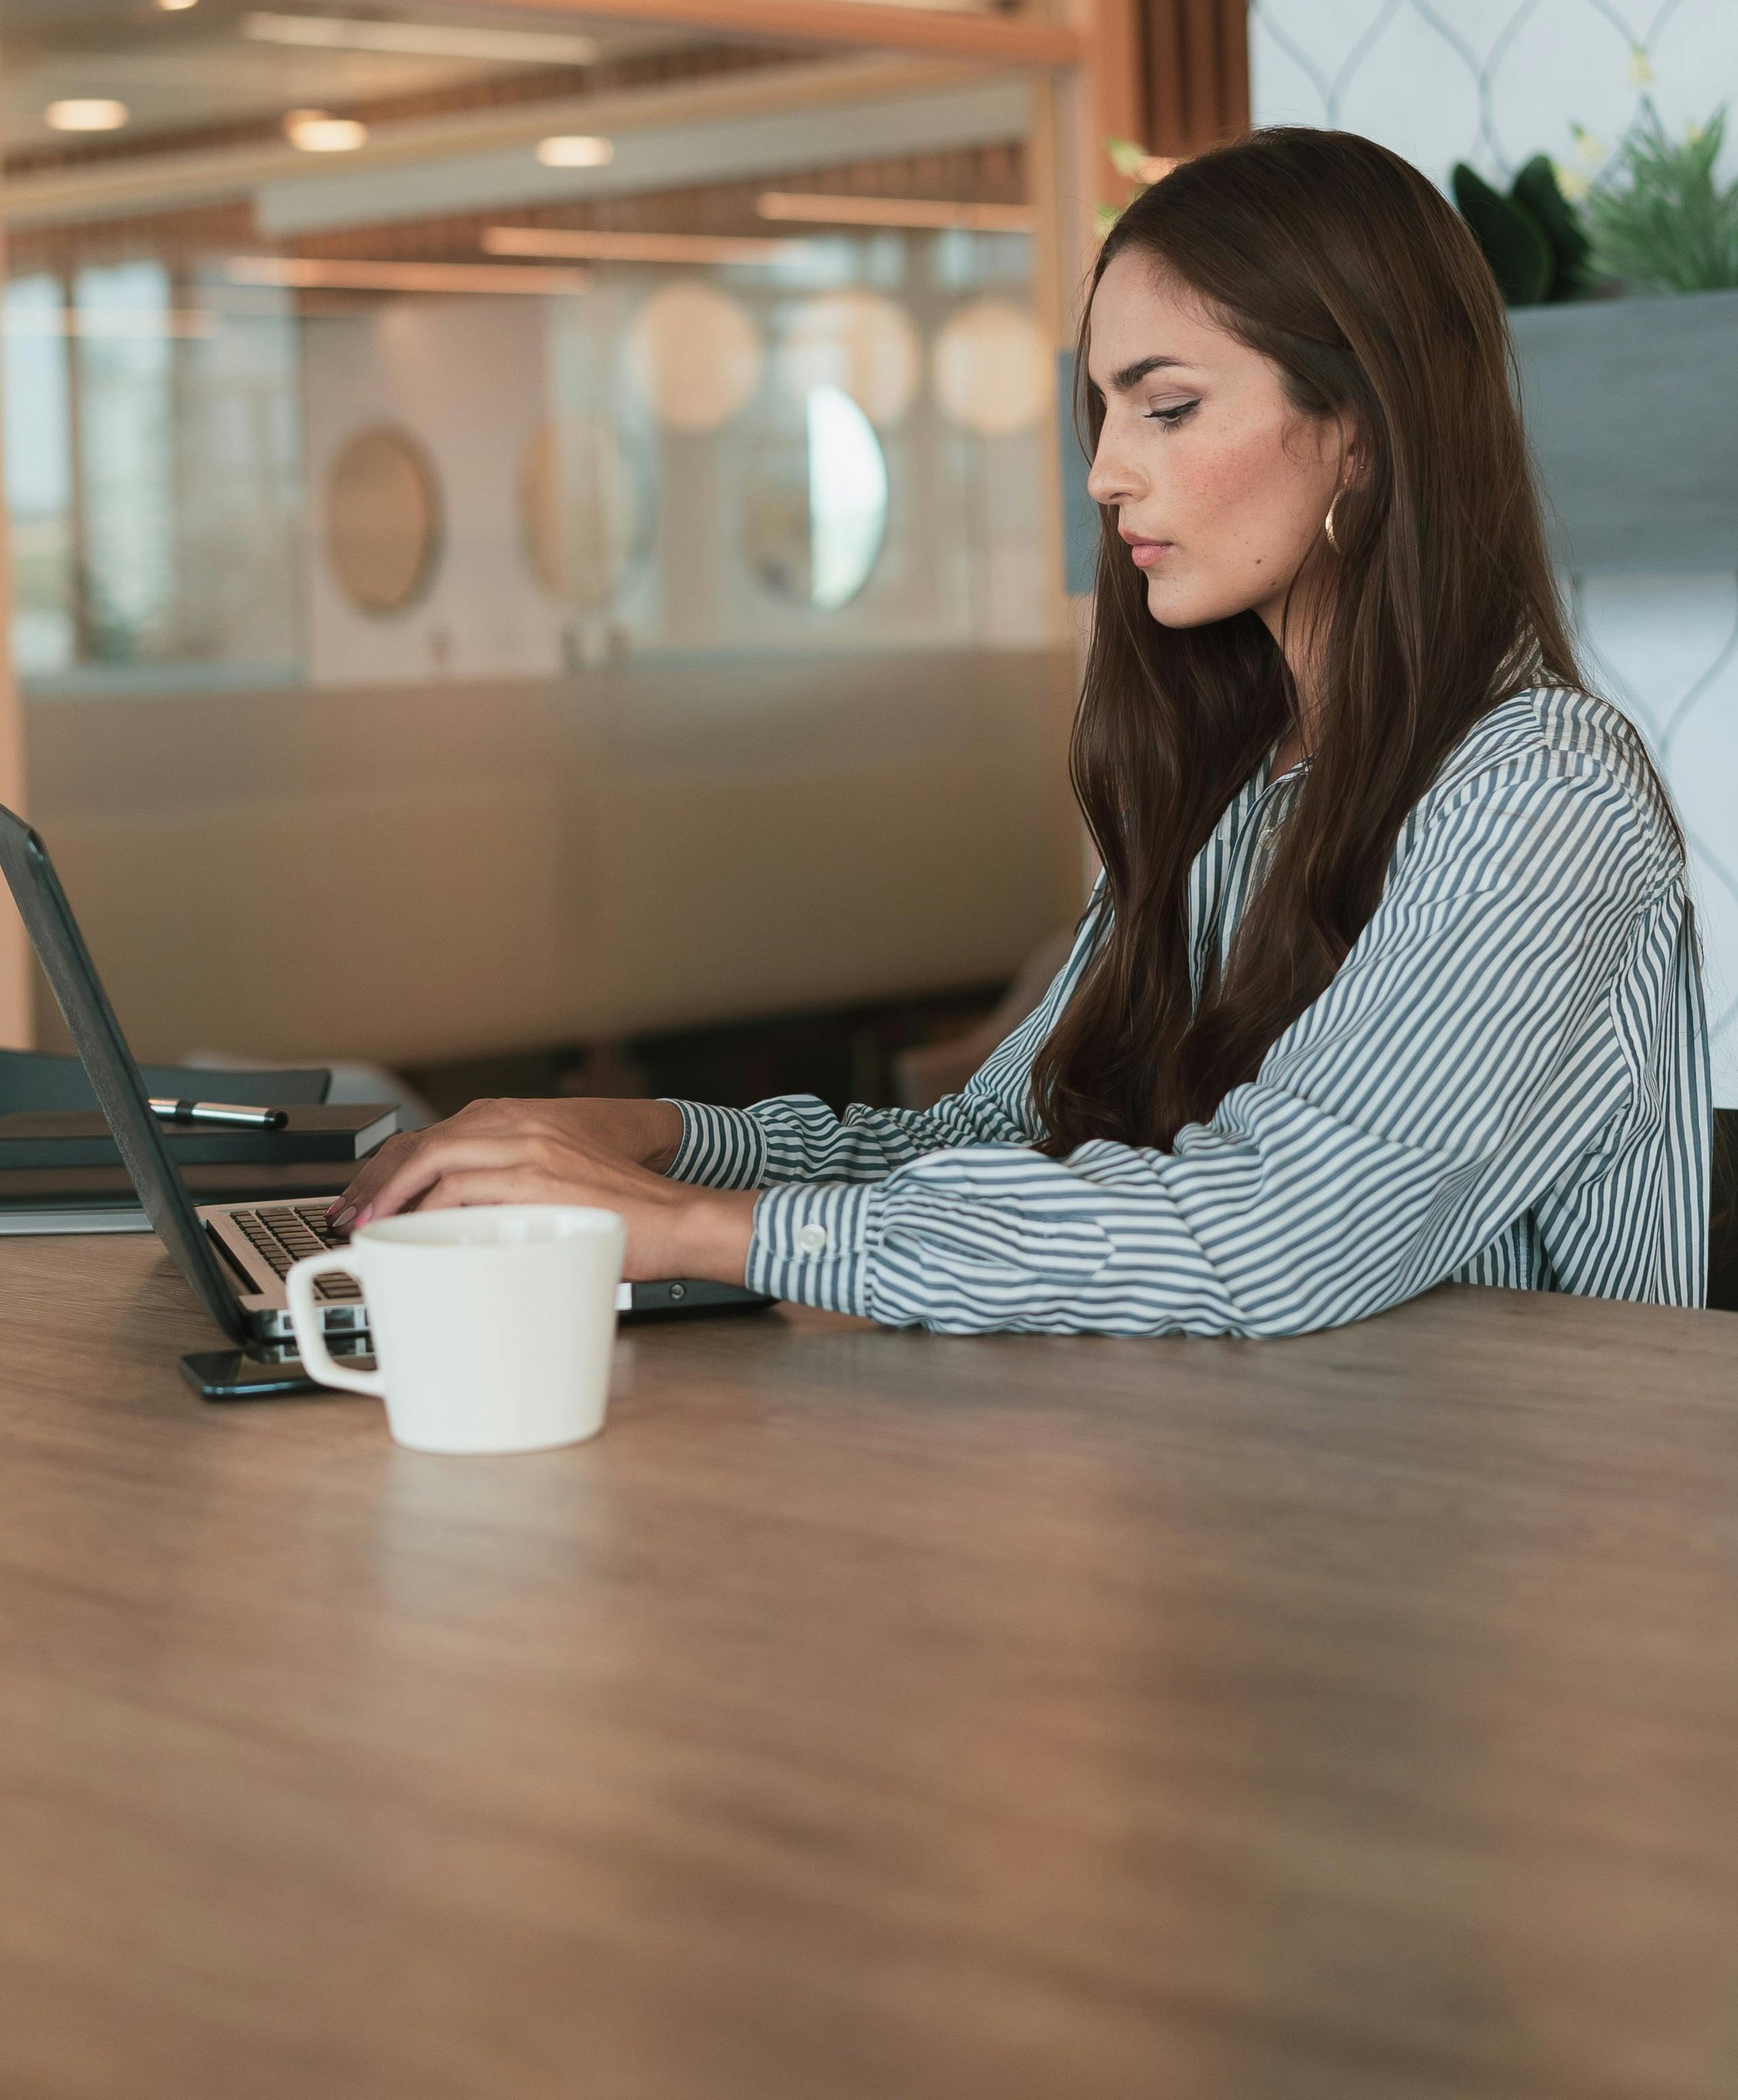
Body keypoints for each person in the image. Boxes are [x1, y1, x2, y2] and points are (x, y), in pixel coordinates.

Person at [333, 129, 1711, 1335]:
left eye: (1169, 407)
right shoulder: (1245, 782)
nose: (1110, 472)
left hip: (1523, 1559)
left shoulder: (1543, 793)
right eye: (1103, 410)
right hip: (1277, 1498)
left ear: (1361, 430)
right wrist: (652, 1142)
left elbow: (1278, 1229)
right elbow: (1001, 1138)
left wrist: (700, 1232)